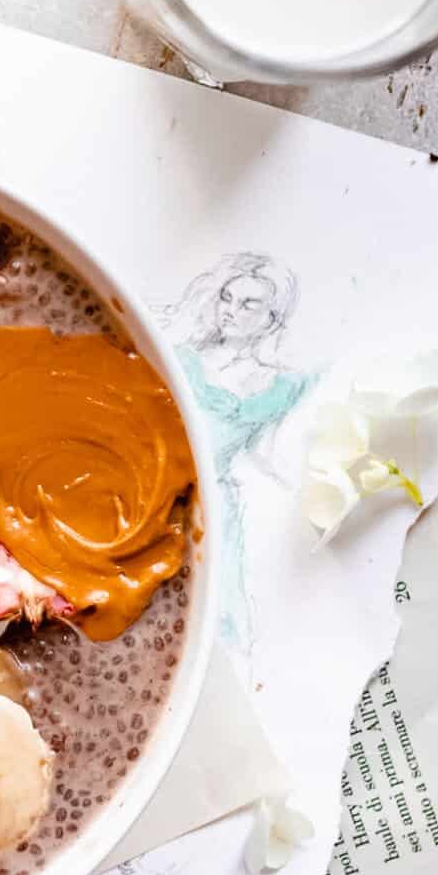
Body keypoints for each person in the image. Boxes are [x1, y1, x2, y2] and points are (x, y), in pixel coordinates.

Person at [164, 252, 312, 651]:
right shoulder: (182, 358)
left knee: (220, 613)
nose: (231, 312)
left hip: (215, 504)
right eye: (227, 298)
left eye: (248, 304)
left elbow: (276, 456)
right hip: (156, 482)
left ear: (272, 318)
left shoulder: (283, 385)